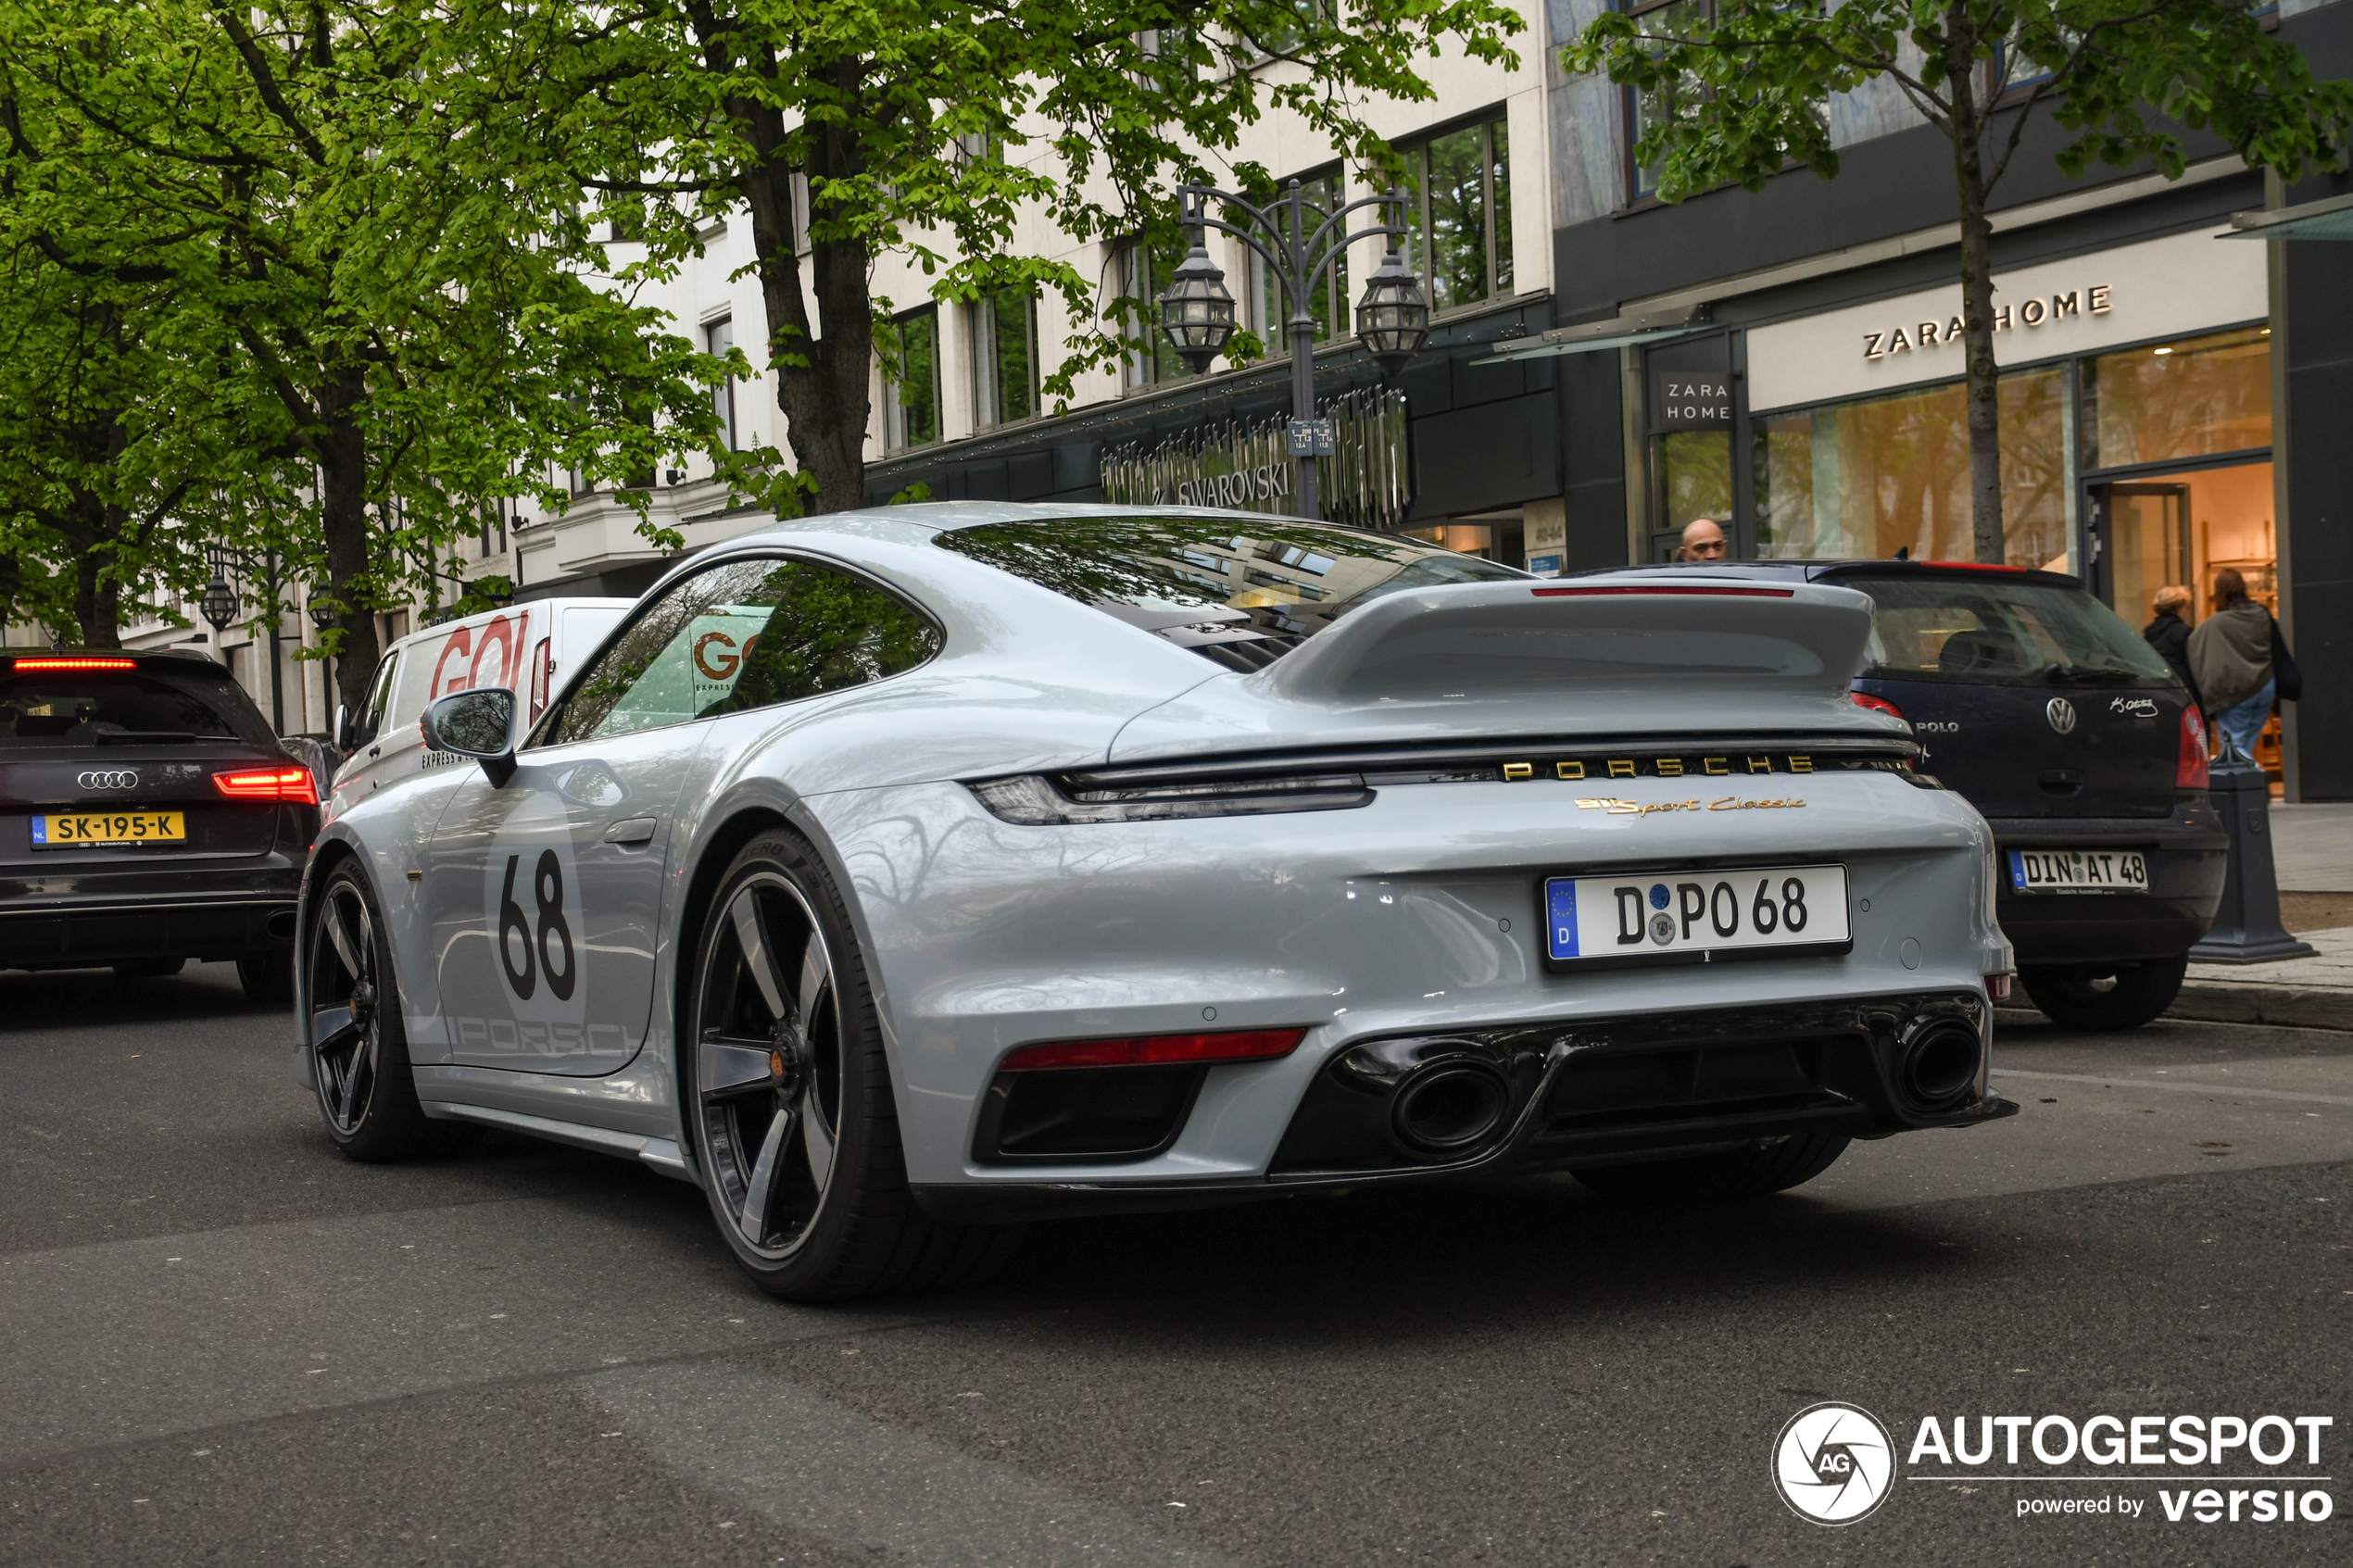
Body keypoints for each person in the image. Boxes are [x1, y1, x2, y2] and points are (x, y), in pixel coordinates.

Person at [2188, 568, 2296, 763]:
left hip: (2235, 693)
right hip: (2264, 687)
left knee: (2234, 749)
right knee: (2247, 746)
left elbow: (2195, 649)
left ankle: (2242, 790)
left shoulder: (2215, 624)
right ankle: (2252, 786)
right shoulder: (2261, 614)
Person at [2142, 584, 2200, 708]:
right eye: (2186, 607)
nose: (2187, 612)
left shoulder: (2149, 634)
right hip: (2183, 693)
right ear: (2178, 607)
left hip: (2157, 693)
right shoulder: (2184, 633)